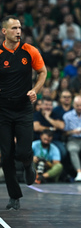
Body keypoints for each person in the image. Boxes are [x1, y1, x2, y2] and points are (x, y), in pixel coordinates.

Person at [0, 15, 47, 210]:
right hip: (2, 110)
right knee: (6, 154)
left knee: (23, 151)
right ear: (4, 31)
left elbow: (42, 72)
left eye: (19, 28)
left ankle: (28, 164)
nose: (18, 31)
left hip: (23, 109)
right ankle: (14, 197)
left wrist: (35, 90)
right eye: (13, 28)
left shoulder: (30, 50)